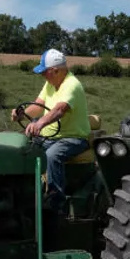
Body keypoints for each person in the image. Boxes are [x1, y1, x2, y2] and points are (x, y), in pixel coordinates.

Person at [13, 48, 91, 210]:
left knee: (51, 155)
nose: (42, 76)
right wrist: (22, 114)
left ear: (55, 71)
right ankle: (25, 194)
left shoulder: (72, 85)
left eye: (44, 72)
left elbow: (59, 109)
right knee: (21, 149)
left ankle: (55, 202)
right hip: (48, 138)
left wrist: (40, 124)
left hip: (73, 138)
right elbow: (37, 107)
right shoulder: (50, 83)